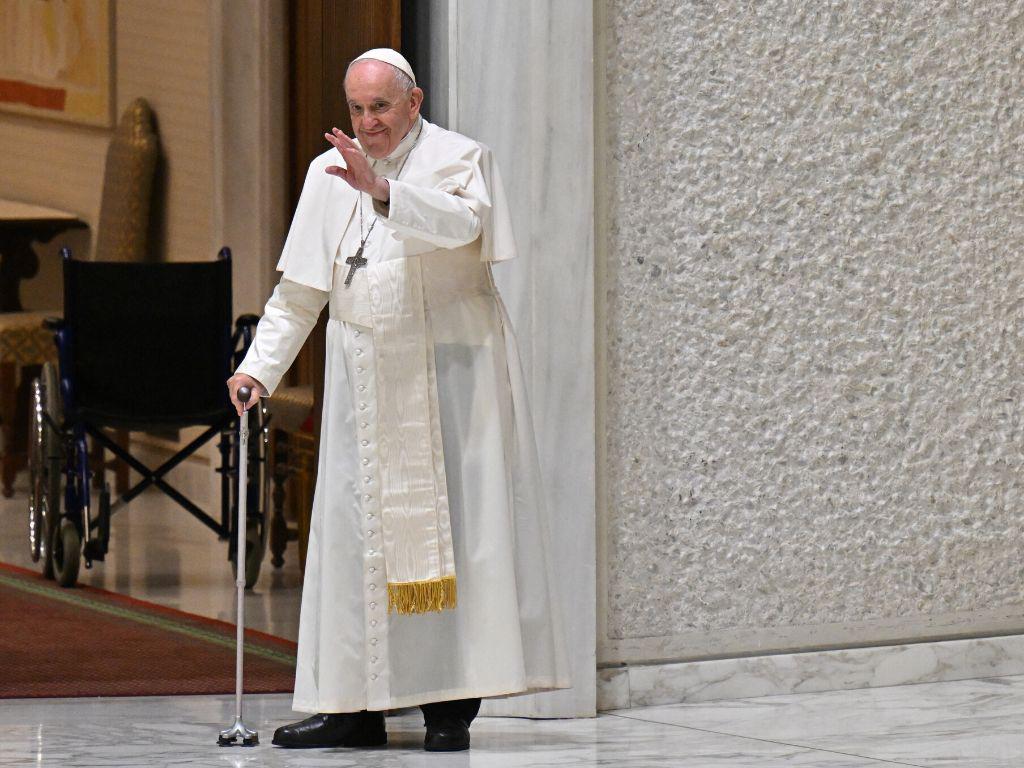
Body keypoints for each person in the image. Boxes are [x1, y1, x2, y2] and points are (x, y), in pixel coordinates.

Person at [227, 48, 570, 753]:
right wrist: (258, 369)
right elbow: (301, 291)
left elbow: (461, 226)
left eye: (379, 107)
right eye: (356, 108)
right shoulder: (330, 175)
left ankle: (449, 709)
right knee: (357, 545)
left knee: (456, 541)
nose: (367, 122)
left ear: (413, 103)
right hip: (364, 387)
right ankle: (352, 706)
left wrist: (382, 193)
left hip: (451, 381)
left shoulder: (459, 157)